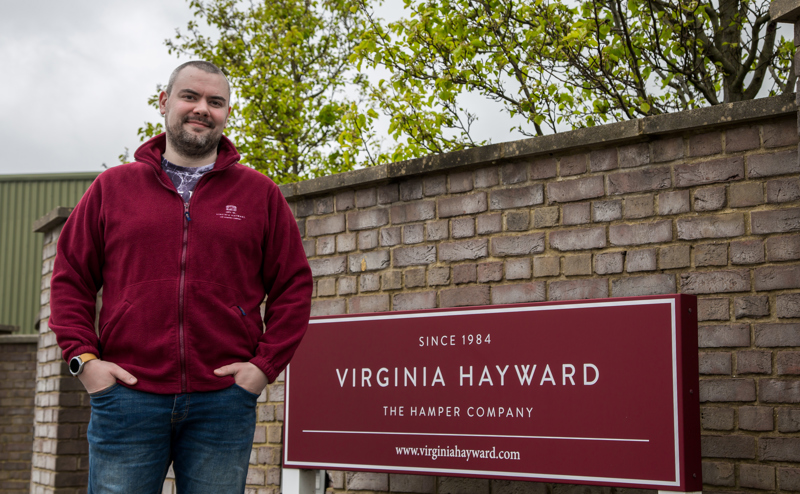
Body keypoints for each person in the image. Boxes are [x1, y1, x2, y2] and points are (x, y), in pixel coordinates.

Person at [49, 60, 313, 493]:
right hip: (126, 398)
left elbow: (293, 287)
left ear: (227, 112)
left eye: (215, 101)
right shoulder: (112, 188)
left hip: (223, 401)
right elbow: (70, 278)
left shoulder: (259, 194)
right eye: (190, 96)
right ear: (164, 102)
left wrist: (262, 368)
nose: (201, 109)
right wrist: (85, 361)